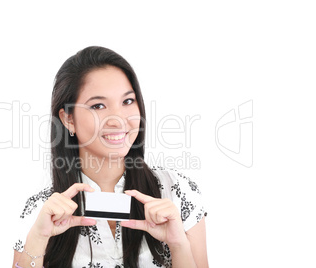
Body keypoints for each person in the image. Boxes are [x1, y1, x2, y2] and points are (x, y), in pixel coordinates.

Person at [12, 46, 208, 268]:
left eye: (127, 101)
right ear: (68, 119)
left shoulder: (177, 191)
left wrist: (178, 245)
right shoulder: (41, 210)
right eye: (98, 105)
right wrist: (38, 240)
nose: (118, 119)